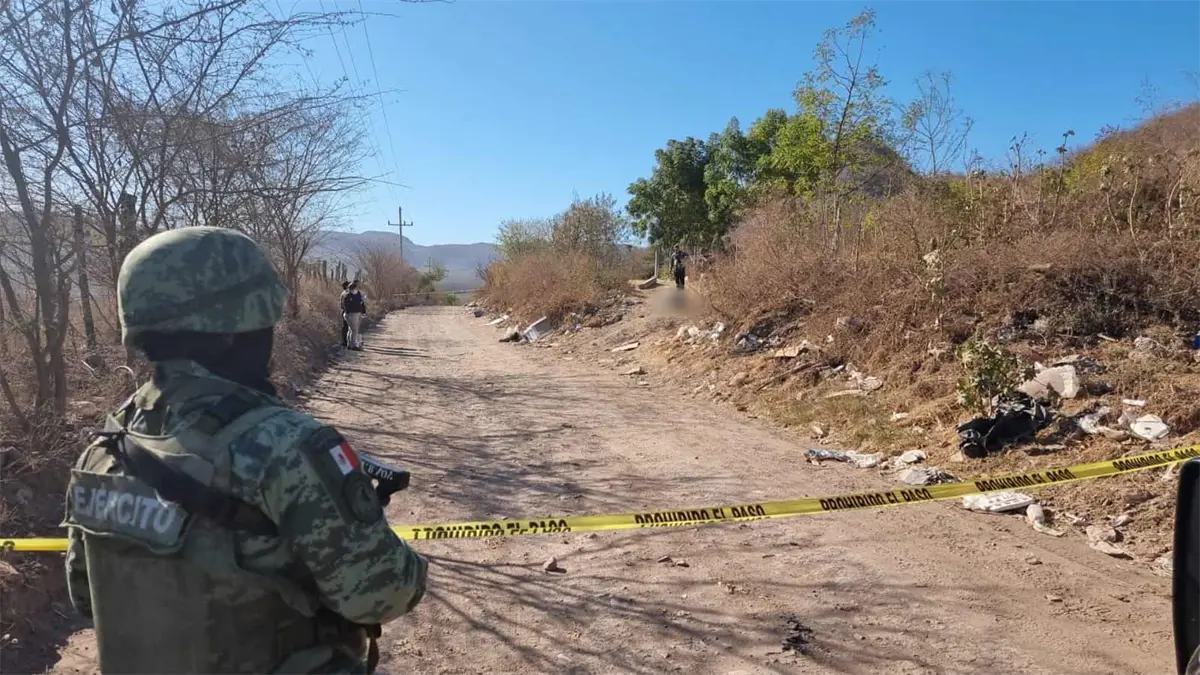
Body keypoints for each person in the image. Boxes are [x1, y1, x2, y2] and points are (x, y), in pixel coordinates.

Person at [63, 226, 427, 675]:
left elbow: (85, 596)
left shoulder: (105, 448)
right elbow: (385, 593)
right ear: (236, 332)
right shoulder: (289, 446)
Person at [342, 280, 367, 351]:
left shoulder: (358, 294)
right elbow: (347, 306)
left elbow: (361, 303)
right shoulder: (348, 296)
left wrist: (363, 311)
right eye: (354, 288)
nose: (355, 290)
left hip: (357, 313)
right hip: (351, 314)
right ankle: (354, 345)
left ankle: (350, 344)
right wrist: (349, 313)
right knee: (354, 330)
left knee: (351, 329)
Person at [340, 280, 351, 347]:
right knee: (346, 327)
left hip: (345, 311)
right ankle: (345, 341)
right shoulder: (345, 294)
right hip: (346, 311)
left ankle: (345, 341)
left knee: (346, 326)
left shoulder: (344, 293)